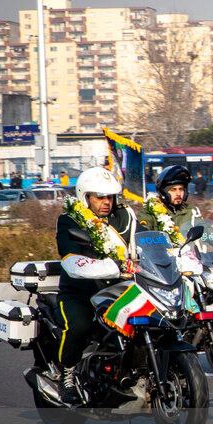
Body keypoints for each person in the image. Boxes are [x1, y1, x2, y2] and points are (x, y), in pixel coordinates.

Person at [55, 166, 136, 405]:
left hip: (119, 290)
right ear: (85, 197)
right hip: (80, 291)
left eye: (109, 196)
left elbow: (141, 244)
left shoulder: (123, 217)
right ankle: (66, 375)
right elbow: (70, 257)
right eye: (99, 197)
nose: (106, 202)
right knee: (78, 325)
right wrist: (110, 266)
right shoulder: (70, 219)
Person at [140, 165, 199, 243]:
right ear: (164, 192)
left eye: (181, 189)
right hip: (160, 253)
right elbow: (143, 233)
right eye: (173, 190)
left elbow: (205, 232)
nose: (178, 194)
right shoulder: (150, 211)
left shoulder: (192, 211)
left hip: (189, 253)